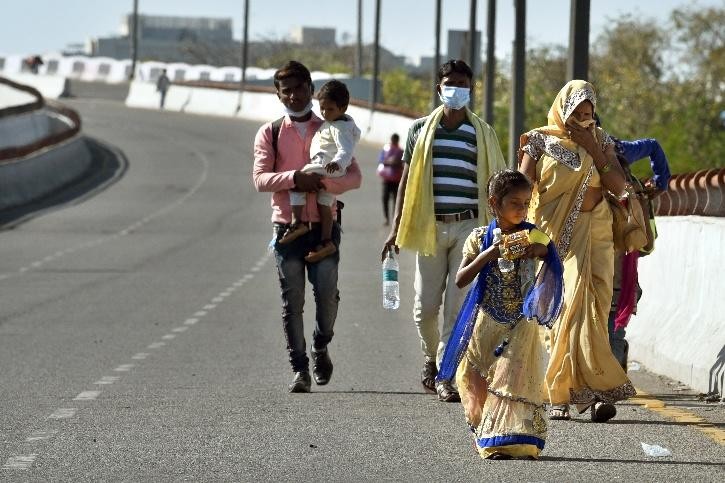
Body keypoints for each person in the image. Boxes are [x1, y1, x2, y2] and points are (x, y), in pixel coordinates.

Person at [381, 59, 507, 402]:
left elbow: (497, 182)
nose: (456, 90)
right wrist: (394, 229)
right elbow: (406, 183)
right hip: (429, 227)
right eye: (450, 83)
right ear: (439, 88)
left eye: (463, 84)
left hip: (469, 226)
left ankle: (445, 376)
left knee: (456, 306)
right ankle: (430, 356)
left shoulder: (483, 133)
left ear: (472, 89)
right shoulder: (419, 131)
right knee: (425, 307)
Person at [519, 80, 637, 422]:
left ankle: (593, 393)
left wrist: (593, 147)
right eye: (577, 113)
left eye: (589, 114)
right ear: (562, 110)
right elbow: (522, 185)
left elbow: (619, 187)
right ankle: (559, 393)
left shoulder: (601, 141)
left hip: (596, 231)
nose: (583, 120)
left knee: (595, 308)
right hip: (555, 237)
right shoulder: (540, 140)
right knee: (565, 306)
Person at [437, 169, 564, 460]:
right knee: (474, 376)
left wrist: (537, 249)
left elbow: (549, 251)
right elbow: (460, 279)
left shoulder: (532, 232)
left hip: (521, 321)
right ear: (495, 203)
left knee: (512, 378)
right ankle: (486, 432)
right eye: (514, 203)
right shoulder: (479, 237)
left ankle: (507, 441)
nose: (522, 209)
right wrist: (489, 254)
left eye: (526, 203)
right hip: (486, 318)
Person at [252, 61, 362, 393]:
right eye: (286, 90)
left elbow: (354, 176)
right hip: (287, 227)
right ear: (278, 94)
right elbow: (259, 179)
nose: (294, 96)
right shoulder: (269, 133)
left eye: (300, 89)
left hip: (325, 228)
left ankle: (320, 344)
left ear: (311, 90)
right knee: (292, 300)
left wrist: (325, 185)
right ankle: (299, 368)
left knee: (327, 297)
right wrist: (295, 178)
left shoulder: (331, 123)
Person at [278, 80, 361, 263]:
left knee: (298, 181)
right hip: (333, 170)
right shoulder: (337, 122)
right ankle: (326, 241)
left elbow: (345, 150)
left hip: (326, 165)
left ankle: (297, 223)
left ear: (343, 107)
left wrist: (337, 163)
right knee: (325, 204)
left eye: (329, 109)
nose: (324, 113)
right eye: (322, 108)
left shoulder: (340, 127)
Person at [607, 137, 670, 368]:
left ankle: (609, 388)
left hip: (620, 275)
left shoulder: (614, 149)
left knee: (613, 332)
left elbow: (645, 244)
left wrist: (654, 187)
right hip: (592, 273)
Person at [377, 133, 404, 225]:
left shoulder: (400, 151)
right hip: (387, 179)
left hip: (396, 179)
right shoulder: (386, 149)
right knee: (385, 198)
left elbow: (403, 164)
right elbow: (380, 160)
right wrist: (390, 162)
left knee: (396, 200)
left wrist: (396, 163)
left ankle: (394, 218)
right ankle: (386, 218)